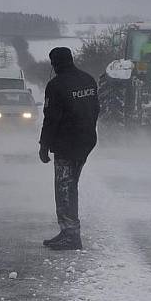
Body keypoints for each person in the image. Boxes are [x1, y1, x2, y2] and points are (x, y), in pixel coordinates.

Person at [39, 47, 99, 250]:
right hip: (86, 140)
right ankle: (67, 231)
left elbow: (51, 118)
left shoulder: (56, 85)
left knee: (65, 187)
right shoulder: (88, 80)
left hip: (67, 142)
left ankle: (71, 235)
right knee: (71, 184)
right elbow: (95, 110)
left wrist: (44, 145)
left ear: (55, 63)